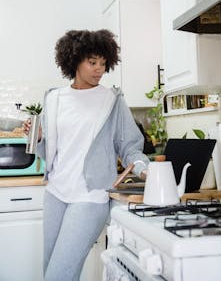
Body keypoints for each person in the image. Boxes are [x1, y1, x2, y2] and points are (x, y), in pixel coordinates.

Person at [23, 29, 149, 281]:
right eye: (92, 62)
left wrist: (146, 169)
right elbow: (49, 150)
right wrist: (37, 139)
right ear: (74, 60)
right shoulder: (54, 99)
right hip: (56, 193)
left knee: (60, 274)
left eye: (103, 63)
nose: (99, 69)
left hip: (90, 196)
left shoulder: (112, 100)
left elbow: (130, 147)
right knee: (49, 269)